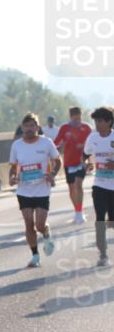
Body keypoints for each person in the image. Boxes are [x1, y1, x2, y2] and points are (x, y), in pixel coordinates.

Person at [9, 113, 61, 268]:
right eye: (26, 126)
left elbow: (58, 161)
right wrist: (12, 178)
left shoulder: (46, 143)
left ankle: (45, 232)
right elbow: (13, 167)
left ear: (38, 127)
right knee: (28, 224)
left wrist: (52, 174)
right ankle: (35, 255)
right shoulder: (17, 145)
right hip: (24, 191)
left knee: (39, 224)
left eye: (32, 126)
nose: (29, 129)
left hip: (42, 190)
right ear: (22, 128)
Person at [84, 106, 114, 267]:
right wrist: (87, 164)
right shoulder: (92, 137)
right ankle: (103, 255)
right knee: (100, 219)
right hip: (99, 185)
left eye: (100, 121)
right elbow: (86, 155)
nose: (97, 124)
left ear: (109, 121)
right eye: (95, 120)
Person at [54, 106, 92, 224]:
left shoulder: (86, 128)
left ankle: (80, 213)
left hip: (81, 161)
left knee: (78, 184)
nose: (77, 120)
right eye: (74, 117)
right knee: (71, 188)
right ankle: (77, 211)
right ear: (70, 117)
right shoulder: (65, 128)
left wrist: (85, 148)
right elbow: (56, 143)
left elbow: (92, 143)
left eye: (79, 117)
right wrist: (62, 145)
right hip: (69, 162)